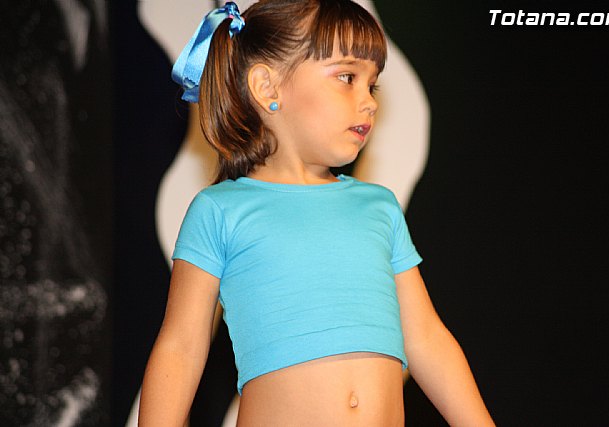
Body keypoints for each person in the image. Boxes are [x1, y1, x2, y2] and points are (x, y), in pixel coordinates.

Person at [138, 1, 494, 426]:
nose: (369, 102)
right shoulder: (221, 210)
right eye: (347, 78)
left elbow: (427, 338)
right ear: (267, 88)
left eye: (373, 85)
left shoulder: (378, 207)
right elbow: (181, 347)